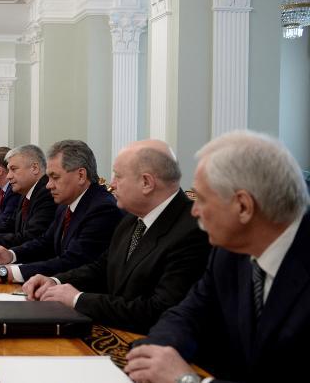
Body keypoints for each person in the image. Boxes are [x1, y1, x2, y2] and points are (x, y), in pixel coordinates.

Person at [125, 131, 310, 383]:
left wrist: (186, 380)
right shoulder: (228, 254)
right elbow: (186, 315)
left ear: (243, 206)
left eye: (201, 198)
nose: (194, 210)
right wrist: (152, 354)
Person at [23, 139, 210, 333]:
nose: (111, 185)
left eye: (118, 176)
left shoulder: (192, 231)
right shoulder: (131, 218)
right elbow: (102, 268)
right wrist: (55, 281)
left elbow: (158, 310)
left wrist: (78, 299)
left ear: (146, 182)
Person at [0, 140, 121, 286]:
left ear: (80, 175)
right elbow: (45, 242)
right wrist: (11, 255)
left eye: (55, 177)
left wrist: (7, 273)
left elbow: (73, 261)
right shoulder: (66, 202)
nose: (48, 185)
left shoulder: (102, 208)